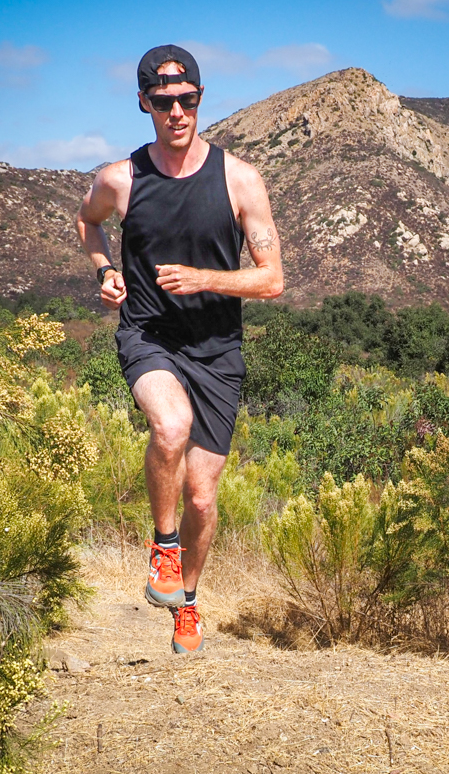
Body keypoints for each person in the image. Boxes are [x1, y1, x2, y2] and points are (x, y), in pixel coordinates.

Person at [74, 45, 284, 654]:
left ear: (199, 98)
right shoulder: (121, 178)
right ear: (144, 103)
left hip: (218, 351)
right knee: (170, 427)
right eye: (163, 102)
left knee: (203, 495)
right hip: (149, 336)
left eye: (186, 100)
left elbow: (272, 280)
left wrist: (206, 278)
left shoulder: (239, 179)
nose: (176, 112)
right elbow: (87, 223)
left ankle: (186, 601)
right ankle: (163, 547)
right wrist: (102, 270)